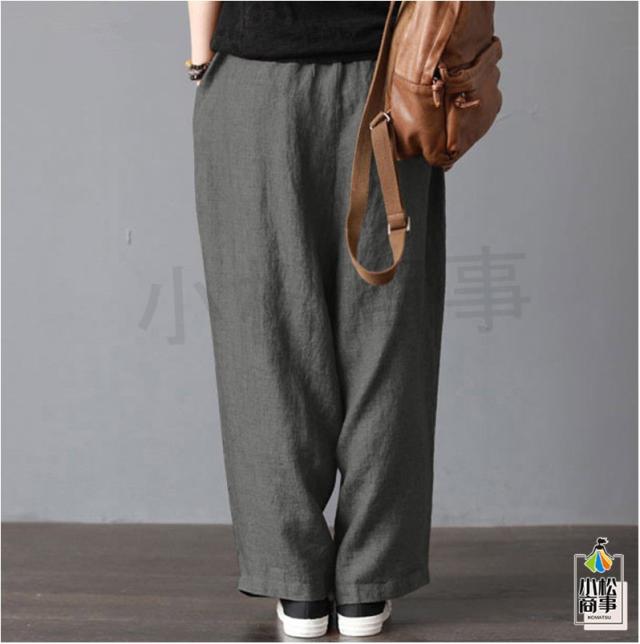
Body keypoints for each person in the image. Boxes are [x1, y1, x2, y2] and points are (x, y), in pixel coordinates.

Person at [189, 1, 446, 637]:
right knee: (388, 335)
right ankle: (367, 585)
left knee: (264, 339)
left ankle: (296, 585)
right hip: (389, 78)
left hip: (256, 82)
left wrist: (200, 57)